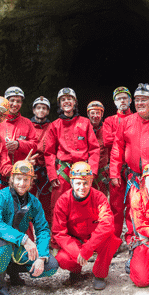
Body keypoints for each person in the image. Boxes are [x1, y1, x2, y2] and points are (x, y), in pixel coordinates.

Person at [110, 83, 149, 267]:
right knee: (134, 213)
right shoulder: (127, 122)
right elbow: (117, 148)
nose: (139, 103)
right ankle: (135, 247)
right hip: (135, 177)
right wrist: (114, 171)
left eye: (143, 99)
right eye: (136, 100)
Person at [0, 160, 58, 295]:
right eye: (18, 179)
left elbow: (42, 229)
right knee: (4, 246)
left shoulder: (34, 202)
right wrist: (24, 239)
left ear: (31, 181)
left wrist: (42, 256)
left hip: (18, 248)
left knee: (50, 265)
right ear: (12, 179)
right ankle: (0, 287)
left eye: (26, 179)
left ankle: (12, 271)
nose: (22, 183)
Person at [52, 162, 121, 290]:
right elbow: (59, 232)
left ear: (91, 182)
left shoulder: (99, 197)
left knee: (111, 240)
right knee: (62, 258)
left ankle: (100, 275)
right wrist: (78, 252)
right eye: (78, 183)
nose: (82, 187)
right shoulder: (63, 201)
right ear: (72, 183)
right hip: (76, 240)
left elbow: (107, 225)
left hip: (94, 240)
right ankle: (76, 270)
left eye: (86, 183)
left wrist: (88, 249)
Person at [44, 88, 100, 220]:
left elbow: (94, 149)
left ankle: (82, 236)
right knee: (58, 205)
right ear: (60, 104)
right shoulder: (55, 125)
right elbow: (49, 153)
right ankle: (57, 237)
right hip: (62, 171)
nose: (66, 102)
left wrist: (92, 173)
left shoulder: (85, 123)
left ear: (75, 102)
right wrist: (52, 176)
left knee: (84, 203)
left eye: (69, 99)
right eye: (63, 100)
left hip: (82, 170)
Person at [103, 87, 133, 238]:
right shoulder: (109, 121)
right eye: (119, 98)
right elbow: (107, 140)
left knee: (133, 205)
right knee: (116, 206)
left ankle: (132, 236)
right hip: (116, 168)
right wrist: (126, 135)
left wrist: (119, 136)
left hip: (132, 169)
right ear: (115, 102)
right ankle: (114, 239)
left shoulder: (137, 118)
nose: (122, 100)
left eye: (125, 98)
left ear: (130, 100)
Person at [0, 86, 38, 171]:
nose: (15, 104)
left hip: (23, 172)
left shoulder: (27, 123)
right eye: (12, 100)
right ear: (6, 101)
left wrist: (19, 144)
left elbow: (34, 146)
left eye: (18, 101)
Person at [30, 96, 52, 222]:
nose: (41, 110)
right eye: (38, 108)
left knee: (47, 202)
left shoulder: (52, 126)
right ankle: (27, 229)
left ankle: (47, 230)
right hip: (31, 166)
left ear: (48, 111)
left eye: (44, 108)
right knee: (28, 199)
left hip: (46, 169)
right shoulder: (28, 125)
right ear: (34, 110)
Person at [87, 101, 109, 195]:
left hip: (102, 172)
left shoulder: (107, 129)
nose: (95, 116)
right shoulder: (83, 128)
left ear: (102, 114)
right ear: (88, 114)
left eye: (98, 113)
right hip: (86, 171)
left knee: (102, 198)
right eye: (92, 113)